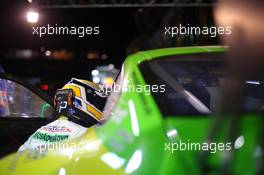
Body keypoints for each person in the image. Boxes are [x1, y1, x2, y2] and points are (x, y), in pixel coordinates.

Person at [19, 78, 108, 152]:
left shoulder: (40, 131)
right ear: (82, 101)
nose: (103, 109)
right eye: (101, 104)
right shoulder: (85, 133)